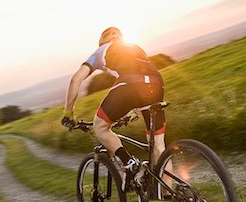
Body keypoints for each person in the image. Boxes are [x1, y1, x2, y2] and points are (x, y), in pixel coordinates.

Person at [61, 27, 167, 192]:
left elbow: (76, 80)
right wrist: (134, 109)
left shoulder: (101, 51)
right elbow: (142, 80)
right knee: (159, 146)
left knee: (100, 127)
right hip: (156, 82)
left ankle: (128, 162)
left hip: (129, 85)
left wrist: (68, 113)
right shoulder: (135, 48)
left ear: (102, 41)